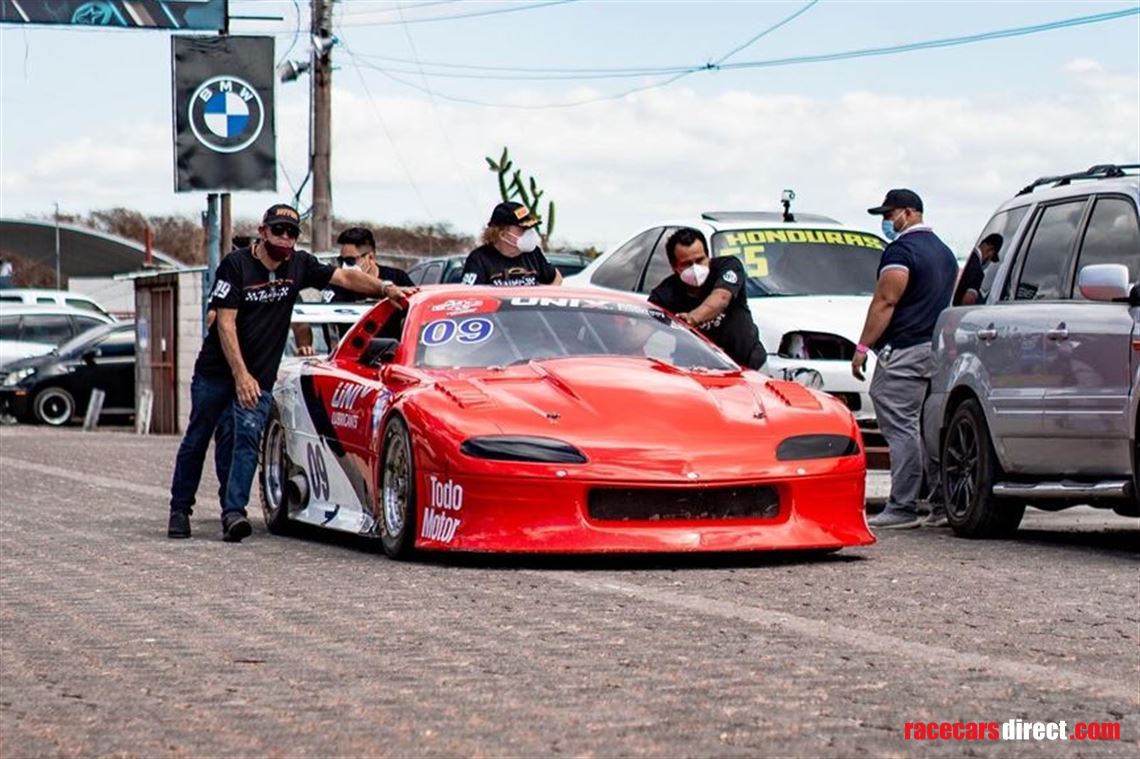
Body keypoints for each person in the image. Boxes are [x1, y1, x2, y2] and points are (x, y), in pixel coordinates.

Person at [167, 203, 417, 542]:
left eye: (291, 233)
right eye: (278, 231)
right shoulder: (236, 266)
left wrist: (385, 288)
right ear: (263, 231)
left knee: (248, 438)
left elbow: (343, 276)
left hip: (261, 372)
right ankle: (180, 509)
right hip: (218, 372)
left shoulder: (299, 264)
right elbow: (224, 323)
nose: (285, 238)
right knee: (199, 437)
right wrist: (240, 375)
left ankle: (234, 514)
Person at [854, 189, 958, 529]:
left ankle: (902, 506)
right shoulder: (944, 253)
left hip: (904, 349)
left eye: (890, 214)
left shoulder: (902, 251)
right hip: (937, 349)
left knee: (901, 427)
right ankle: (942, 504)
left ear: (909, 213)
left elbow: (886, 301)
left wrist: (863, 347)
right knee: (930, 430)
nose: (887, 221)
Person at [647, 227, 767, 370]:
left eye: (700, 260)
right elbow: (643, 330)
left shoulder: (728, 267)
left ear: (708, 256)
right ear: (674, 267)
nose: (695, 268)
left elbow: (721, 298)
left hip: (749, 365)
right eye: (687, 264)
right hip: (697, 373)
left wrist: (691, 319)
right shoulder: (664, 294)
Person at [294, 226, 415, 355]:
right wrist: (306, 347)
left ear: (371, 257)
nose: (345, 266)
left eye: (351, 260)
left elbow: (416, 317)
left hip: (391, 358)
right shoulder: (335, 287)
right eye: (342, 260)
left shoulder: (398, 279)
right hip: (348, 361)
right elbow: (327, 333)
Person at [460, 202, 562, 287]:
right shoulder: (479, 259)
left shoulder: (534, 253)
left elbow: (556, 277)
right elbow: (470, 294)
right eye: (523, 229)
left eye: (530, 228)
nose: (529, 233)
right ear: (502, 233)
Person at [951, 233, 1002, 306]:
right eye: (991, 257)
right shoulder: (978, 272)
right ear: (990, 249)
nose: (989, 261)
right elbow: (968, 301)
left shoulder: (967, 259)